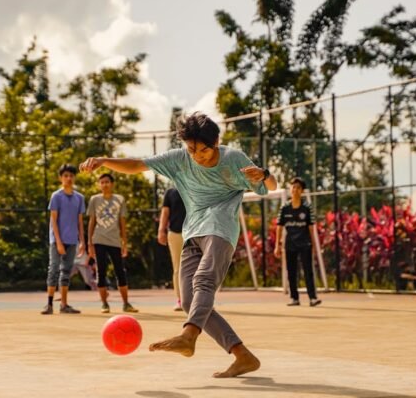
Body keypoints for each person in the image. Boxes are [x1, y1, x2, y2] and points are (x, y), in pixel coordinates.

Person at [80, 112, 277, 378]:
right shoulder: (179, 158)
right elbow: (138, 164)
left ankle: (188, 336)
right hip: (192, 231)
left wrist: (265, 174)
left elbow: (271, 185)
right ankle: (243, 356)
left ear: (216, 141)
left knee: (204, 282)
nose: (197, 156)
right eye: (192, 150)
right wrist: (105, 161)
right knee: (188, 300)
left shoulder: (234, 159)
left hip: (220, 228)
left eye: (203, 150)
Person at [87, 173, 138, 314]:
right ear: (99, 184)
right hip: (99, 240)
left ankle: (126, 303)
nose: (105, 184)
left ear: (112, 184)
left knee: (120, 272)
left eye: (107, 182)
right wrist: (89, 243)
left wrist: (124, 242)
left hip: (115, 241)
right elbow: (92, 221)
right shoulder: (94, 200)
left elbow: (122, 222)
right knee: (101, 271)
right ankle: (104, 303)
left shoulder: (119, 199)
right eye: (102, 182)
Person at [42, 164, 86, 315]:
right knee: (53, 269)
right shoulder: (56, 196)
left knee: (66, 271)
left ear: (74, 178)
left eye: (71, 176)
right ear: (61, 178)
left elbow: (80, 221)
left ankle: (64, 305)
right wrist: (58, 242)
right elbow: (53, 221)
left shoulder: (79, 198)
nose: (68, 178)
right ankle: (49, 304)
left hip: (72, 240)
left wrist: (82, 242)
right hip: (57, 241)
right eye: (65, 176)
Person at [274, 177, 321, 307]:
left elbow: (311, 228)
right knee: (291, 271)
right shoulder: (284, 208)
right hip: (290, 244)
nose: (295, 190)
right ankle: (294, 298)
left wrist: (314, 246)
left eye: (298, 188)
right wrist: (277, 245)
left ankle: (312, 298)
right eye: (293, 187)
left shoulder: (307, 208)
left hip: (305, 244)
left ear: (302, 191)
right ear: (290, 189)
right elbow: (279, 227)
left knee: (308, 271)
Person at [158, 187, 186, 311]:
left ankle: (201, 301)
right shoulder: (171, 192)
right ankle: (181, 300)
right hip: (175, 233)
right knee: (178, 268)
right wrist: (161, 230)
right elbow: (165, 212)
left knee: (199, 267)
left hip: (196, 232)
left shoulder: (196, 185)